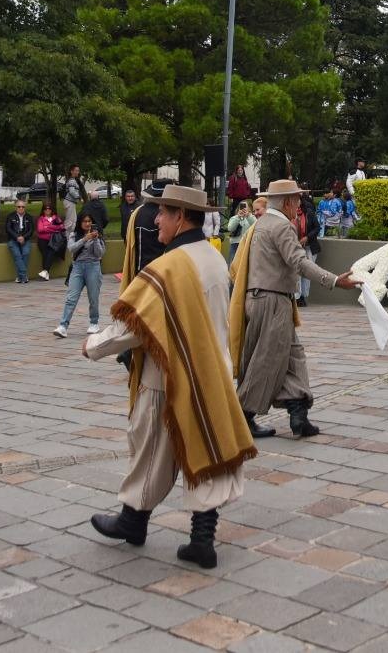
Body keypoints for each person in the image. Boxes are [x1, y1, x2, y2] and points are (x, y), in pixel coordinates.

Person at [87, 186, 255, 568]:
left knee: (151, 448)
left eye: (162, 213)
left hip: (168, 377)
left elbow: (136, 326)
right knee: (206, 449)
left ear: (180, 216)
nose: (156, 220)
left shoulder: (168, 266)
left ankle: (133, 521)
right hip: (211, 372)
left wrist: (94, 345)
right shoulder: (212, 257)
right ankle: (202, 540)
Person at [228, 179, 359, 439]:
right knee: (265, 360)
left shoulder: (261, 224)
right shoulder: (281, 227)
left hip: (262, 299)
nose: (299, 203)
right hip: (272, 300)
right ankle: (242, 416)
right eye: (297, 199)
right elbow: (299, 262)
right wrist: (334, 280)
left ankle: (298, 412)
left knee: (292, 356)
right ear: (287, 202)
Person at [53, 214, 105, 337]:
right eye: (84, 221)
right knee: (71, 297)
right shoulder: (74, 235)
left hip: (93, 267)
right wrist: (84, 239)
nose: (87, 224)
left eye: (89, 221)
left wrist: (96, 239)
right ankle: (63, 326)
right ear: (80, 223)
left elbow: (100, 254)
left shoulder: (98, 236)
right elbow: (71, 248)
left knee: (93, 298)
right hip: (77, 268)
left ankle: (94, 323)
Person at [4, 198, 35, 284]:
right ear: (15, 207)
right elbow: (8, 229)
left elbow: (31, 230)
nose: (21, 208)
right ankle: (24, 276)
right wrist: (17, 237)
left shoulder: (29, 217)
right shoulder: (10, 216)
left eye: (23, 207)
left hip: (26, 239)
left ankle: (19, 277)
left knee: (26, 253)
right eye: (19, 206)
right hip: (13, 239)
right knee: (17, 255)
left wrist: (23, 237)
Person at [35, 202, 64, 281]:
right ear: (43, 210)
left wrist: (48, 227)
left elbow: (61, 227)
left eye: (49, 209)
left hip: (54, 240)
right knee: (45, 254)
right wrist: (54, 228)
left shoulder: (56, 218)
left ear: (52, 210)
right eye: (46, 209)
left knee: (50, 253)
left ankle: (45, 272)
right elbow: (40, 229)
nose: (47, 210)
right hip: (42, 240)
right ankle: (46, 273)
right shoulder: (41, 218)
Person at [61, 165, 85, 237]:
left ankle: (69, 238)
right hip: (69, 202)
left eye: (78, 170)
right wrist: (79, 198)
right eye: (76, 170)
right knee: (70, 221)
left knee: (73, 221)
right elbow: (72, 191)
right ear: (71, 171)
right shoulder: (72, 180)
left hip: (71, 202)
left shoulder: (73, 180)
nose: (77, 172)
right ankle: (66, 239)